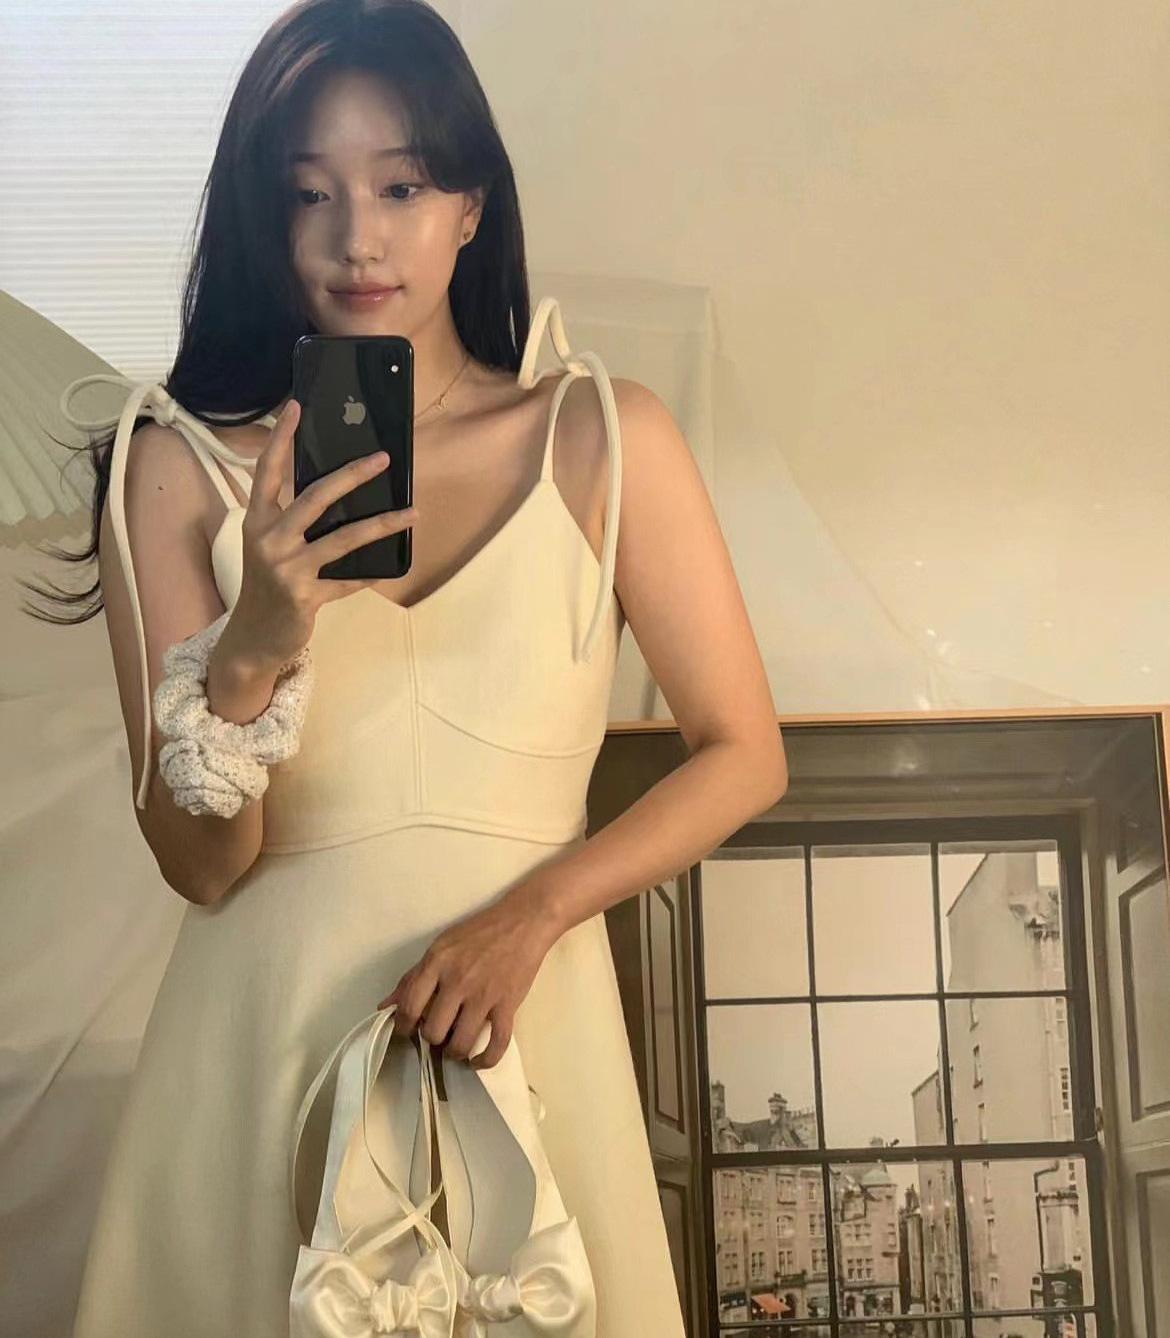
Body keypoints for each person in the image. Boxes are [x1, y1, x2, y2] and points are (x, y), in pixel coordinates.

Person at [40, 1, 788, 1333]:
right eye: (309, 193)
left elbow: (744, 753)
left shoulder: (603, 437)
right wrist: (258, 641)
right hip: (261, 1056)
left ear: (470, 205)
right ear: (265, 216)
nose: (358, 238)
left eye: (401, 185)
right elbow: (204, 865)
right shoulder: (175, 468)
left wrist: (534, 915)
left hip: (526, 1026)